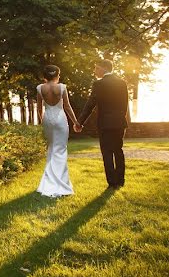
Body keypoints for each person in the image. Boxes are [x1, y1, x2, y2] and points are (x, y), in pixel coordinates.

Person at [77, 58, 130, 189]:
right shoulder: (122, 83)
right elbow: (125, 104)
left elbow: (90, 104)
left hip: (105, 124)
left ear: (103, 68)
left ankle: (112, 182)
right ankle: (120, 180)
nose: (94, 71)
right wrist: (120, 118)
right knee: (118, 150)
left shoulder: (98, 84)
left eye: (95, 68)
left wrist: (80, 122)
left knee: (107, 152)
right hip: (119, 122)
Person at [35, 64, 81, 197]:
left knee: (51, 149)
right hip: (60, 119)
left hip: (47, 119)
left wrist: (42, 121)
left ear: (45, 76)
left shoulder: (40, 88)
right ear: (56, 75)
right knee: (60, 150)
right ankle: (62, 183)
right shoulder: (62, 87)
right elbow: (67, 107)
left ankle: (48, 183)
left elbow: (39, 108)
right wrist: (76, 122)